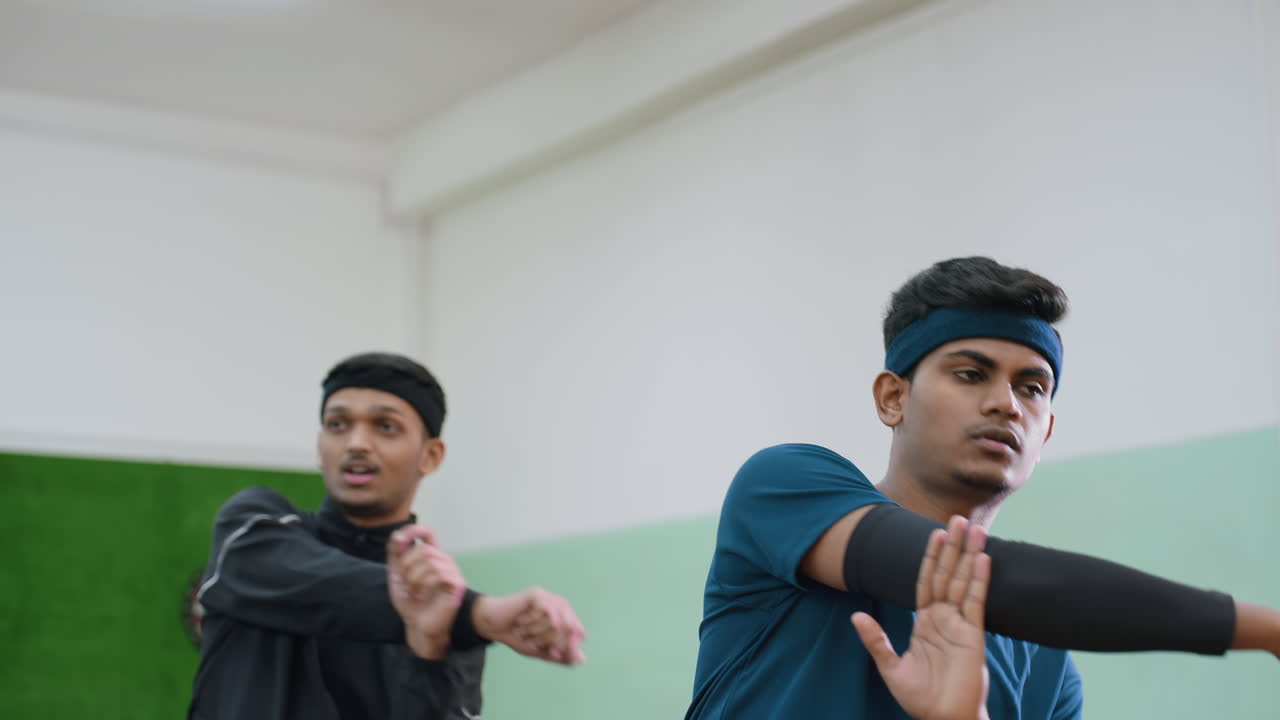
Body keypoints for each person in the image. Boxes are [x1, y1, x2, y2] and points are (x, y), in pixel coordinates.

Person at [686, 257, 1280, 719]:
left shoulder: (1046, 663)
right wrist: (1265, 629)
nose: (1005, 403)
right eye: (971, 374)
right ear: (893, 397)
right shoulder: (786, 486)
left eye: (1032, 387)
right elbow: (997, 580)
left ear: (1045, 432)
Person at [189, 352, 586, 720]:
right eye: (337, 425)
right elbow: (317, 582)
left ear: (430, 456)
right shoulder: (253, 530)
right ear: (320, 445)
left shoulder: (447, 616)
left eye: (385, 426)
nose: (356, 443)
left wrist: (430, 648)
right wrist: (475, 613)